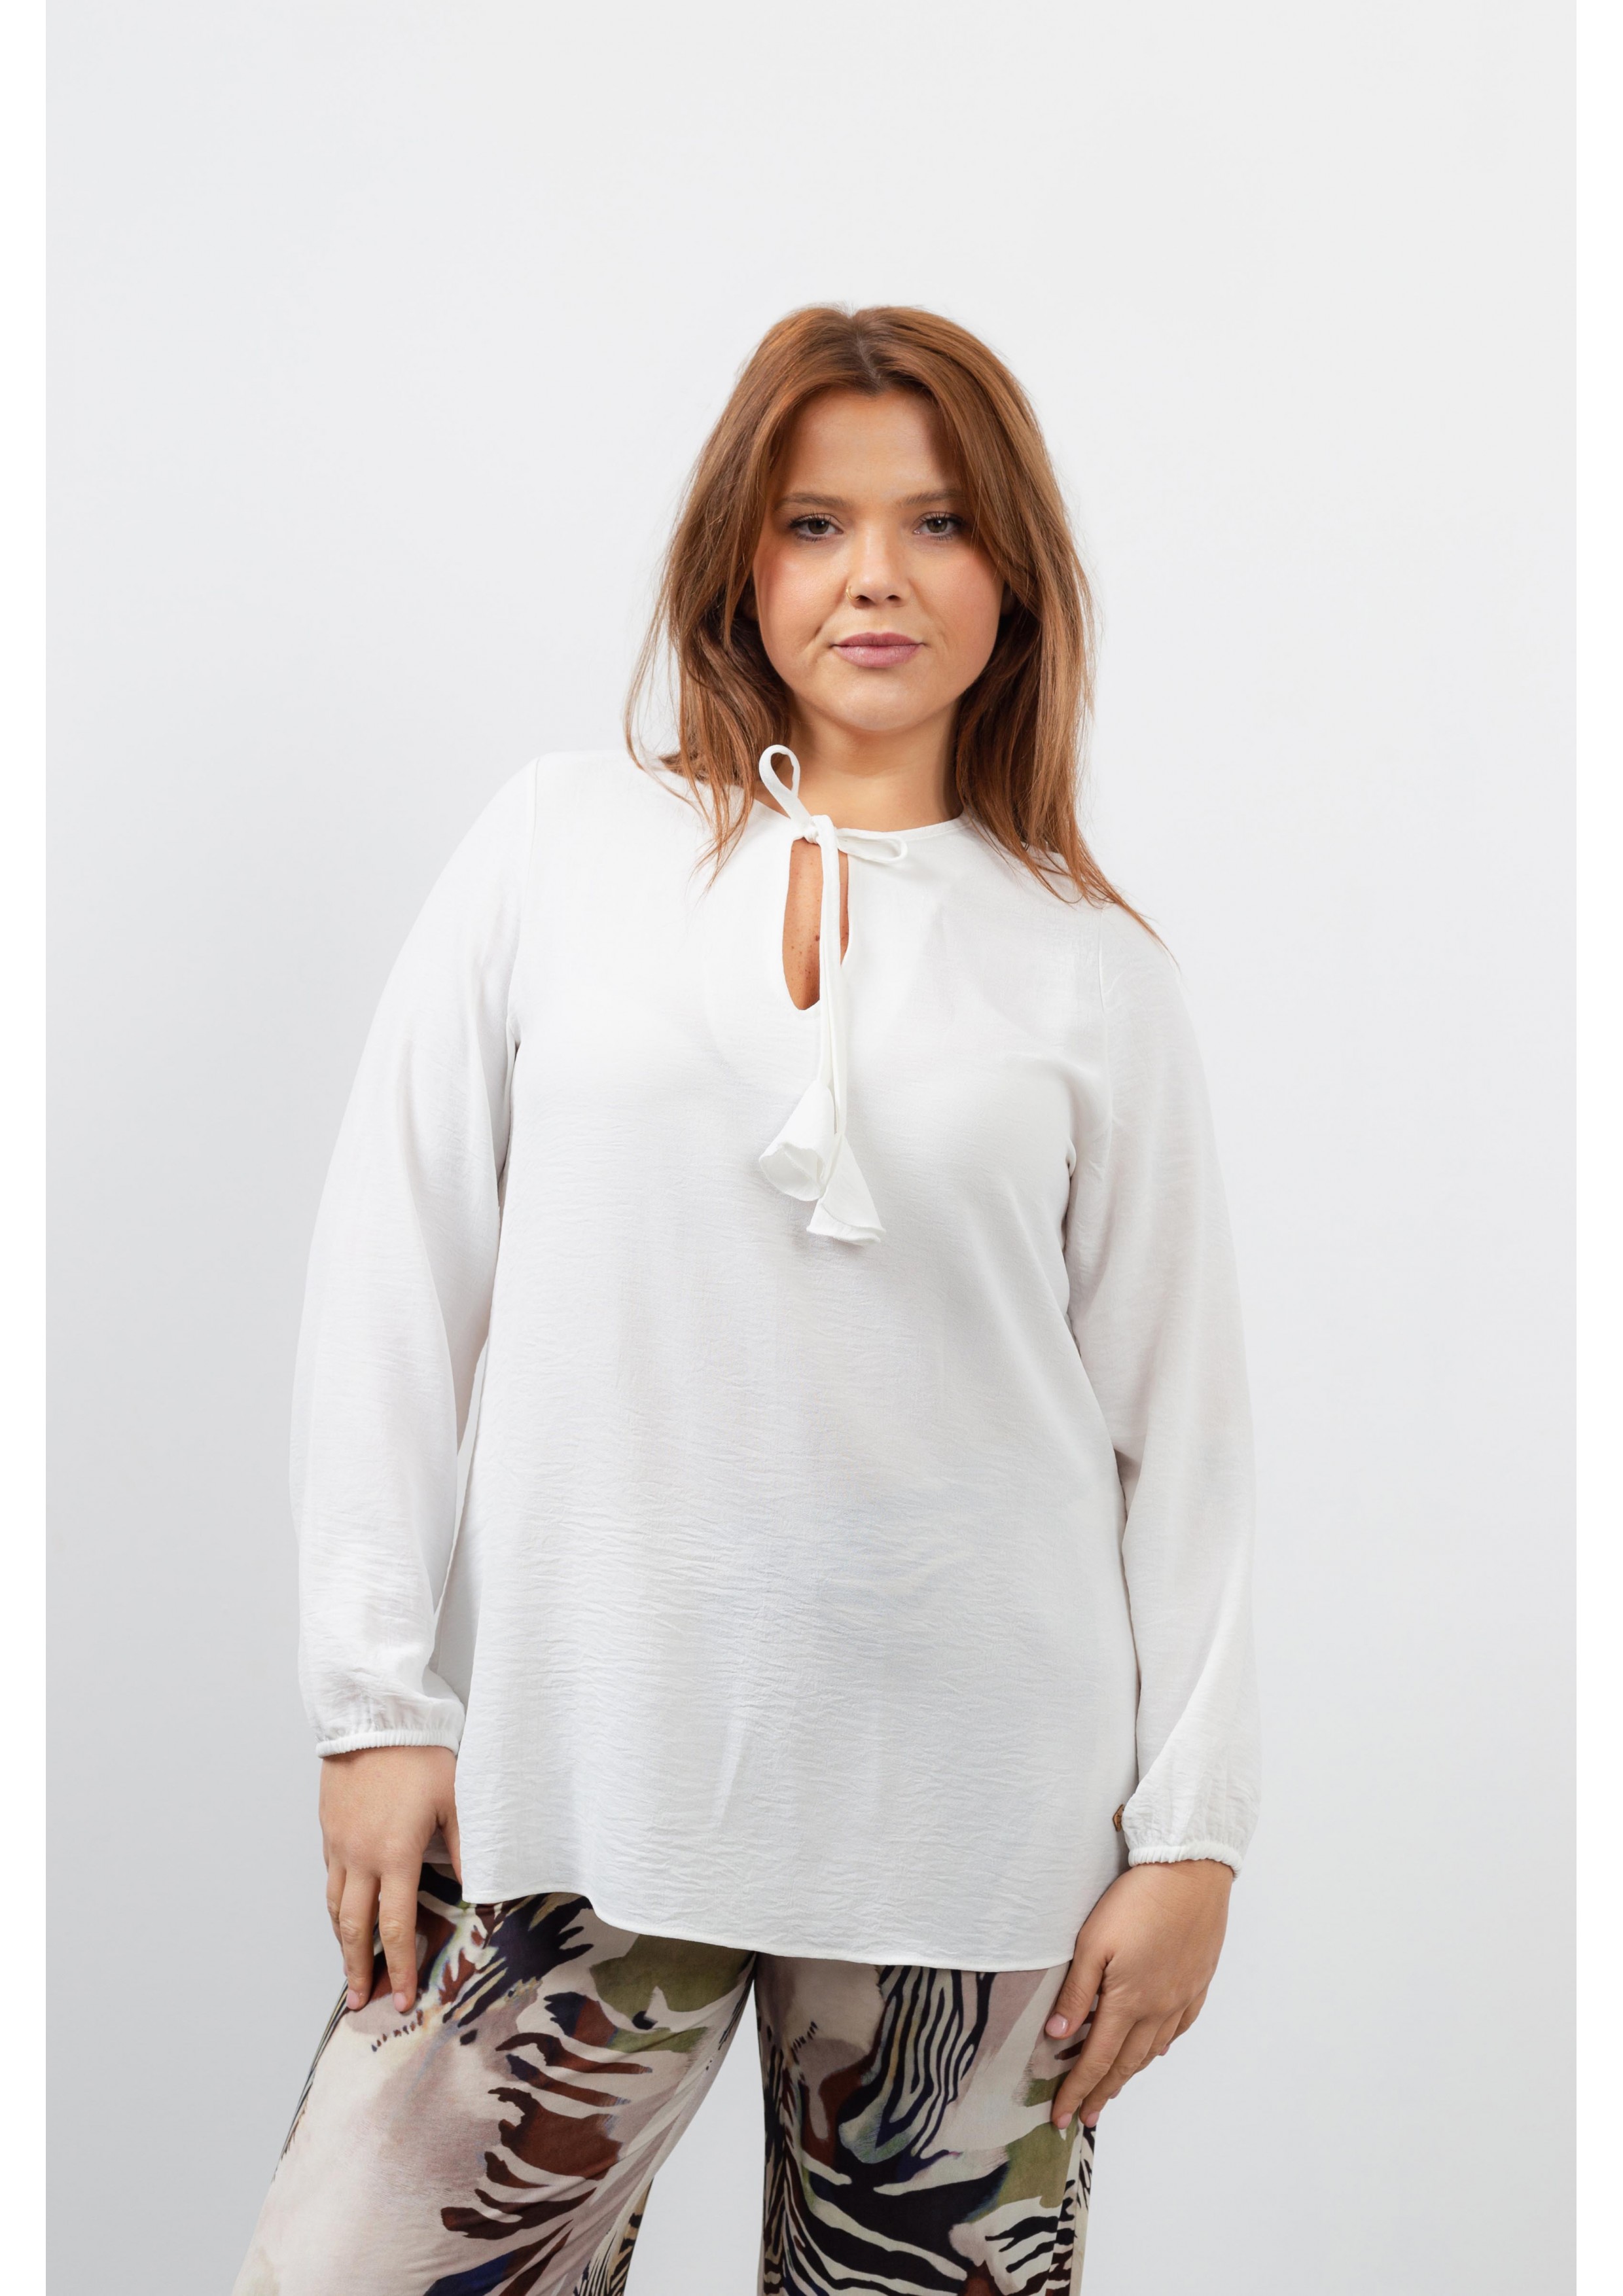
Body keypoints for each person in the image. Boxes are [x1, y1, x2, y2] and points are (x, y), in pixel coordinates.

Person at [234, 304, 1258, 2296]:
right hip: (580, 1773)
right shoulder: (561, 846)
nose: (876, 574)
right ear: (742, 562)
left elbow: (1183, 1430)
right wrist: (374, 1700)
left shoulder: (1089, 967)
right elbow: (394, 1272)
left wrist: (1192, 1833)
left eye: (938, 523)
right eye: (814, 523)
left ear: (1015, 579)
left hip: (981, 1826)